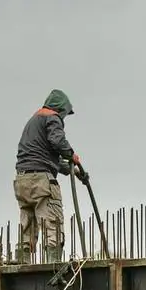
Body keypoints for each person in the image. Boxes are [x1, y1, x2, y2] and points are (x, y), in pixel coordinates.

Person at [14, 89, 87, 263]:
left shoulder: (33, 122)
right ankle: (52, 266)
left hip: (22, 181)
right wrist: (71, 154)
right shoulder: (52, 118)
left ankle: (22, 263)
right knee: (51, 223)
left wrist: (76, 172)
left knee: (28, 224)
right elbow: (57, 141)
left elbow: (49, 158)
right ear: (60, 108)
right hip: (41, 182)